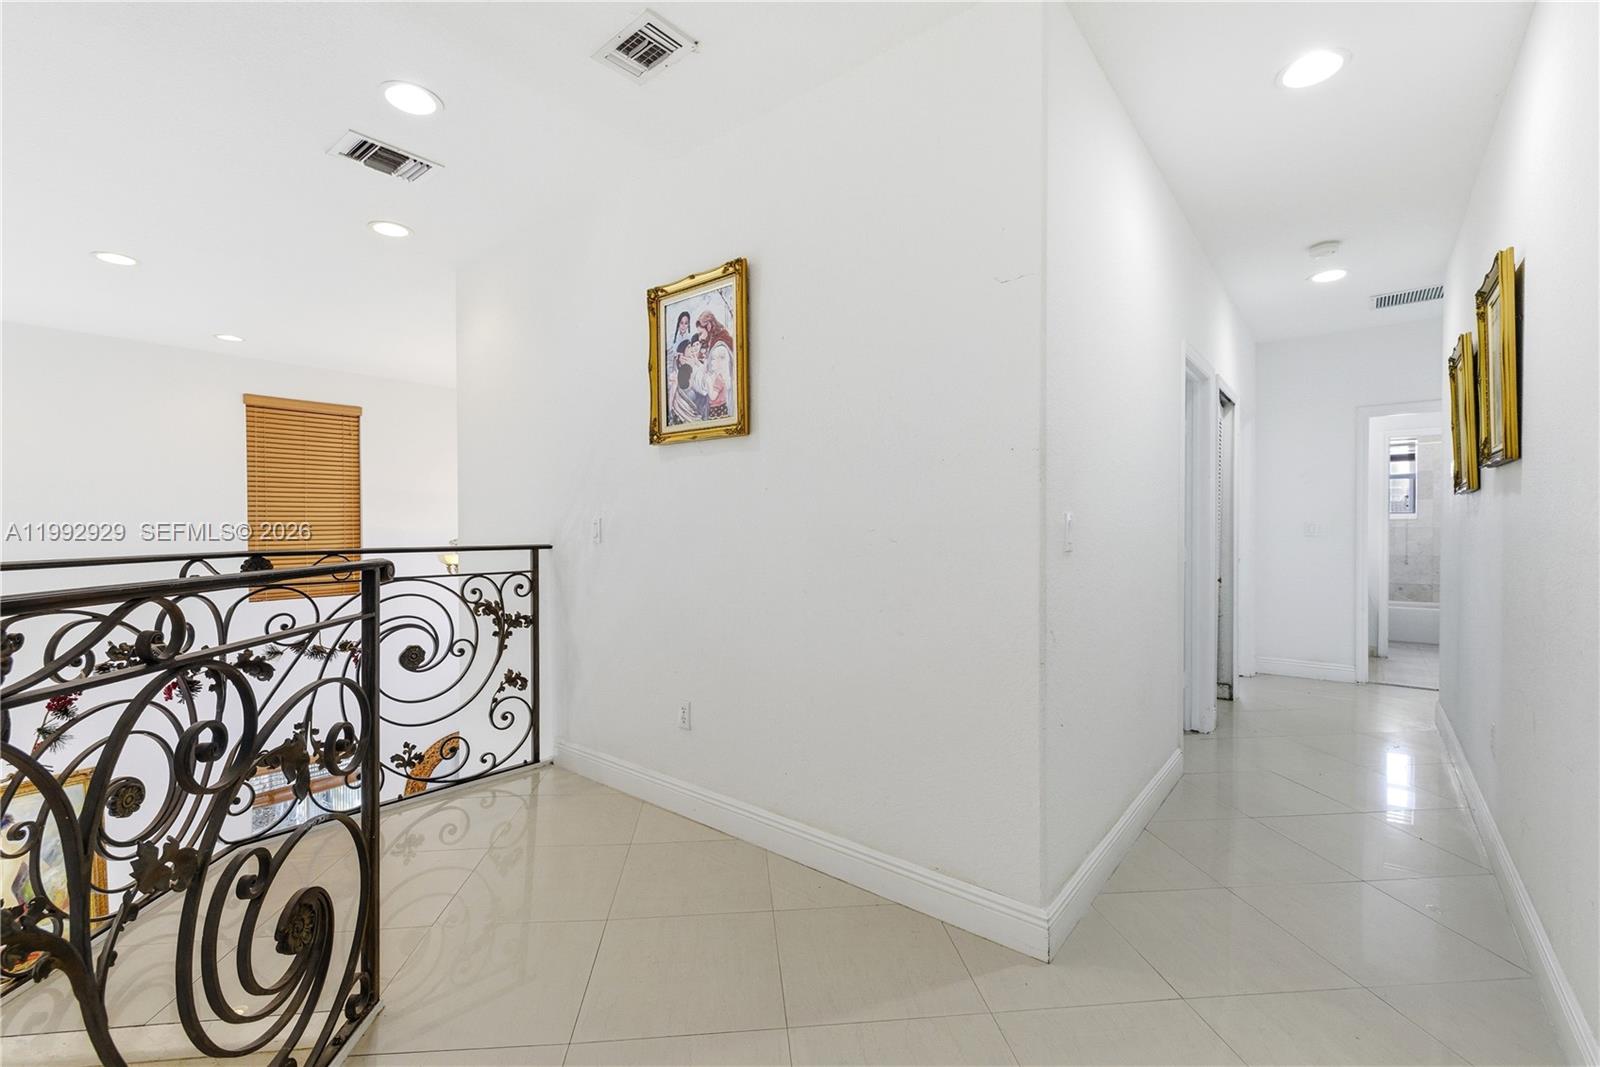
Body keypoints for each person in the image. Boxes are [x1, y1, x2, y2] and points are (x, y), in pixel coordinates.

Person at [695, 310, 736, 419]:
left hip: (721, 403)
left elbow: (719, 379)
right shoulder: (717, 342)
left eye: (700, 333)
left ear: (708, 326)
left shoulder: (719, 348)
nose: (700, 338)